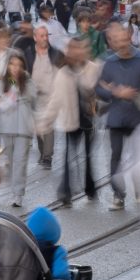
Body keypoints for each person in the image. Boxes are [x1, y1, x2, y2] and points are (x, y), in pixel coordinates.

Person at [96, 23, 140, 210]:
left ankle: (139, 188)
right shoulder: (109, 62)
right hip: (116, 117)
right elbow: (98, 88)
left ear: (129, 37)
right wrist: (115, 92)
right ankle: (118, 195)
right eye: (117, 41)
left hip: (137, 115)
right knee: (116, 156)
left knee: (139, 155)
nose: (121, 44)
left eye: (124, 39)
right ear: (112, 44)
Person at [38, 37, 100, 206]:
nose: (76, 52)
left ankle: (90, 188)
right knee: (68, 158)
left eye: (79, 49)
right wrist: (45, 123)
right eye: (72, 49)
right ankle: (65, 193)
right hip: (71, 121)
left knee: (88, 157)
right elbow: (55, 100)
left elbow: (101, 92)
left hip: (89, 121)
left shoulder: (93, 69)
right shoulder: (63, 73)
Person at [0, 50, 37, 208]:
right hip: (6, 128)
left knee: (21, 161)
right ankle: (14, 188)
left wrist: (19, 85)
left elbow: (34, 98)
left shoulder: (28, 82)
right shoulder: (0, 84)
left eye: (19, 65)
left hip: (24, 129)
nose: (15, 68)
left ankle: (18, 194)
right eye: (12, 64)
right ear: (7, 66)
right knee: (11, 162)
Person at [24, 26, 64, 169]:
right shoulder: (28, 53)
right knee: (38, 127)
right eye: (41, 36)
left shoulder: (55, 53)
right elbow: (17, 76)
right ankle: (43, 154)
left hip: (51, 96)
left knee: (48, 126)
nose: (45, 38)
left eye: (46, 35)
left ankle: (48, 157)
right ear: (35, 37)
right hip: (34, 96)